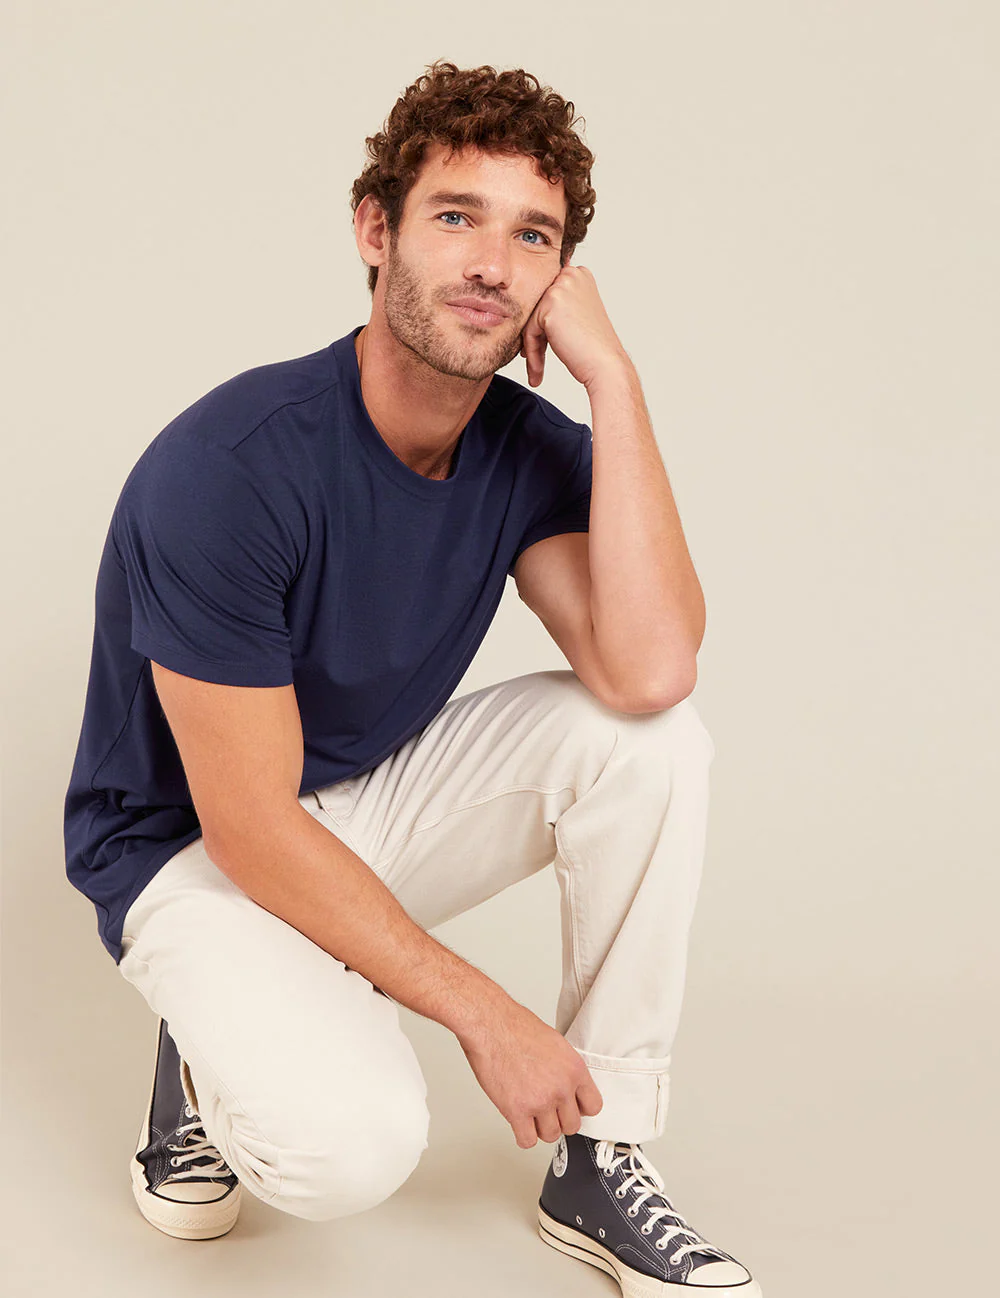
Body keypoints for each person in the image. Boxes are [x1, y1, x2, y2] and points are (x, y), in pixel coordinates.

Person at [63, 59, 762, 1297]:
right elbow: (248, 823)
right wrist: (488, 1015)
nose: (492, 263)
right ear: (375, 231)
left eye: (531, 235)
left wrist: (616, 382)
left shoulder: (527, 449)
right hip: (193, 849)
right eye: (455, 216)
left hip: (353, 805)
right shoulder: (230, 466)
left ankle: (599, 1153)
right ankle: (206, 1047)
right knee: (349, 1150)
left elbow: (651, 669)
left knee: (651, 742)